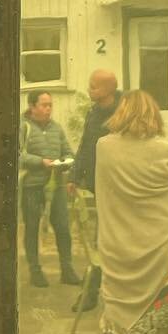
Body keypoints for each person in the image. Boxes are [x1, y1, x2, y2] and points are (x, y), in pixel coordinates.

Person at [94, 90, 168, 334]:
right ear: (153, 114)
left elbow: (104, 193)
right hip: (159, 249)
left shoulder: (104, 147)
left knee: (115, 313)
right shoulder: (163, 149)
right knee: (160, 331)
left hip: (116, 246)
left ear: (121, 113)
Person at [69, 69, 123, 312]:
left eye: (94, 86)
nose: (90, 90)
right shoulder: (94, 112)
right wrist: (74, 176)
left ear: (109, 90)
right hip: (98, 185)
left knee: (108, 241)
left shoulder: (124, 112)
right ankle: (94, 290)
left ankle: (95, 291)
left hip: (119, 186)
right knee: (102, 240)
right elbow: (85, 144)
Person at [19, 90, 78, 288]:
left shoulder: (57, 128)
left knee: (62, 227)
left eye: (50, 105)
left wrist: (65, 162)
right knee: (32, 228)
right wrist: (40, 162)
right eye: (44, 105)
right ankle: (35, 271)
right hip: (32, 186)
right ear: (32, 106)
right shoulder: (22, 127)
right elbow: (16, 155)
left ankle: (67, 270)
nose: (48, 109)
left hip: (56, 185)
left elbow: (69, 152)